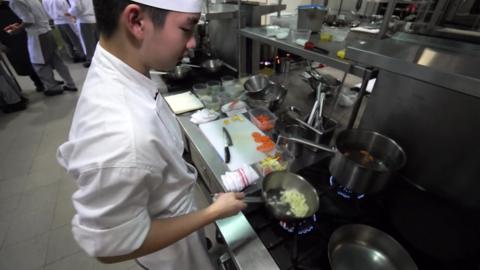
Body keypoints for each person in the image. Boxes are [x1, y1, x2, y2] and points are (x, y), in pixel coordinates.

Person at [56, 1, 246, 270]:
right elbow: (113, 245)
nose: (192, 43)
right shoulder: (122, 135)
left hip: (173, 222)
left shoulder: (121, 65)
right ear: (136, 21)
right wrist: (212, 213)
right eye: (186, 28)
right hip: (172, 259)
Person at [5, 0, 78, 96]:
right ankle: (70, 83)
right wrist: (20, 25)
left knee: (39, 64)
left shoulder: (14, 2)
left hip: (37, 35)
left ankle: (53, 88)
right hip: (47, 31)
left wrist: (17, 29)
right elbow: (34, 17)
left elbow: (29, 20)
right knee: (57, 60)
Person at [0, 0, 44, 92]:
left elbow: (21, 16)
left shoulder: (8, 5)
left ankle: (46, 80)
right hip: (9, 41)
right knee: (24, 63)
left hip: (23, 35)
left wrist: (20, 26)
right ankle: (39, 83)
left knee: (36, 59)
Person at [67, 0, 98, 68]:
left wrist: (69, 11)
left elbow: (77, 7)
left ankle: (92, 61)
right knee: (95, 42)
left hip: (84, 19)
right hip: (93, 17)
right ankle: (99, 59)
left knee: (88, 43)